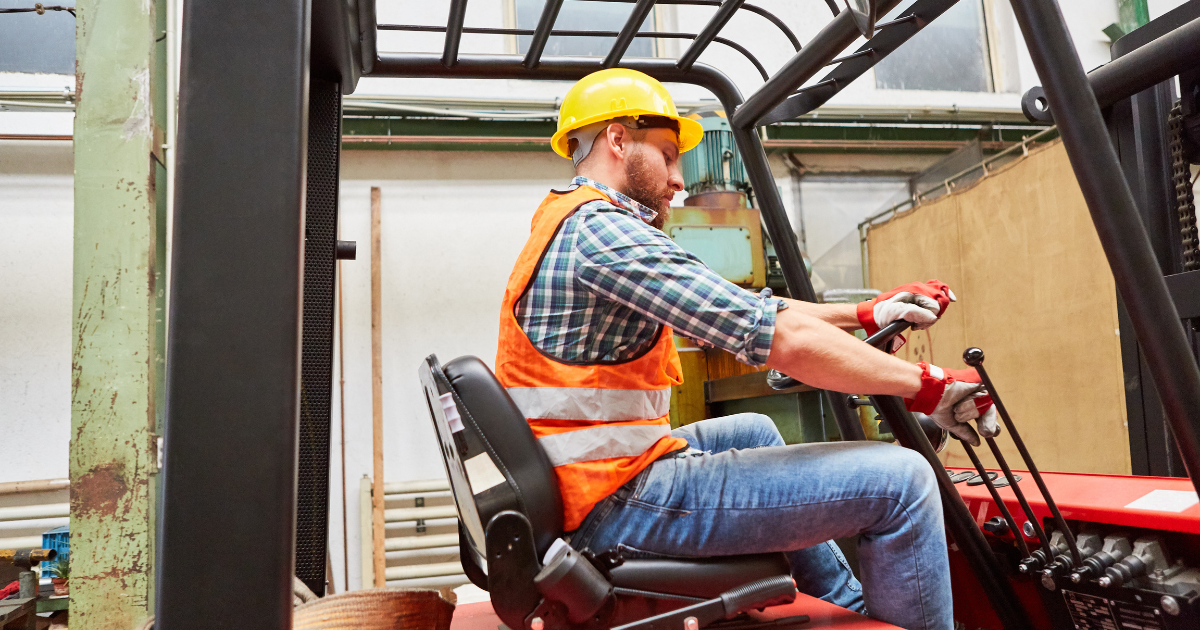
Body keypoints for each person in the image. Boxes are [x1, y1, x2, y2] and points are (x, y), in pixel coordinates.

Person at [494, 69, 998, 630]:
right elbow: (778, 337)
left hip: (589, 484)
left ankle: (850, 608)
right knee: (904, 482)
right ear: (617, 140)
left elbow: (742, 306)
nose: (679, 179)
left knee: (753, 428)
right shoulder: (607, 235)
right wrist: (927, 385)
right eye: (667, 154)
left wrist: (864, 315)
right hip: (612, 504)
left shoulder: (572, 220)